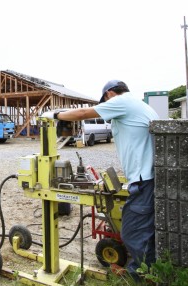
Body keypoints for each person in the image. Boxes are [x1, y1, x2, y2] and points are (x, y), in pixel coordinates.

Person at [41, 80, 159, 281]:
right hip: (146, 177)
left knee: (132, 233)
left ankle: (142, 277)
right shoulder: (138, 105)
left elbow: (83, 113)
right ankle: (144, 271)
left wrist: (54, 115)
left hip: (143, 181)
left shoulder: (122, 101)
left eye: (104, 101)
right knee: (145, 230)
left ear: (110, 94)